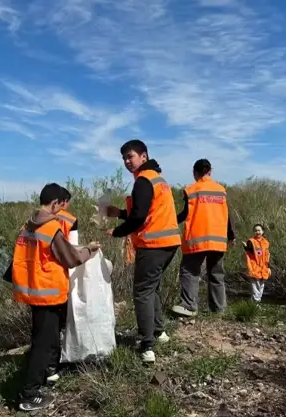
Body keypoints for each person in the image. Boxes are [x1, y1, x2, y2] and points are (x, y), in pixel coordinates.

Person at [12, 183, 100, 411]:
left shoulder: (28, 225)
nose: (63, 210)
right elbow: (70, 258)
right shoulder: (50, 228)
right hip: (47, 293)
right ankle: (29, 395)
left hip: (32, 290)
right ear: (55, 204)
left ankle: (49, 372)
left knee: (45, 337)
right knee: (41, 343)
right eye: (62, 206)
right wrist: (90, 250)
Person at [103, 139, 181, 362]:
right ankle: (159, 331)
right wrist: (118, 213)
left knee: (142, 292)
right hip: (169, 243)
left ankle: (147, 345)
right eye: (125, 158)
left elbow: (138, 218)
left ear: (143, 156)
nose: (127, 161)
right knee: (152, 288)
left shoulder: (144, 181)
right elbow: (146, 212)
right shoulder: (157, 179)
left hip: (153, 245)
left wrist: (117, 232)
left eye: (131, 156)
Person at [171, 159, 236, 317]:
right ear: (210, 172)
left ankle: (189, 306)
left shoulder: (192, 189)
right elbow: (226, 215)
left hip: (197, 239)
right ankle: (218, 310)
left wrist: (168, 221)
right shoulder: (221, 190)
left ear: (195, 172)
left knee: (189, 272)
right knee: (216, 275)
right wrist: (231, 235)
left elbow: (185, 214)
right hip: (218, 239)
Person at [47, 186, 79, 383]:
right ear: (63, 202)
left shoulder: (36, 219)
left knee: (45, 326)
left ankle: (50, 366)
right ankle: (57, 362)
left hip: (38, 279)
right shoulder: (70, 220)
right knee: (61, 321)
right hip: (60, 275)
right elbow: (73, 249)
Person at [243, 224, 271, 302]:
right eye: (255, 230)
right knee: (255, 285)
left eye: (259, 230)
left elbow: (267, 255)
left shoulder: (266, 242)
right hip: (254, 266)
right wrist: (245, 247)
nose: (257, 232)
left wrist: (268, 267)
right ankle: (256, 302)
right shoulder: (251, 241)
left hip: (264, 267)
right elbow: (249, 252)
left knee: (261, 285)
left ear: (262, 231)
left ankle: (256, 301)